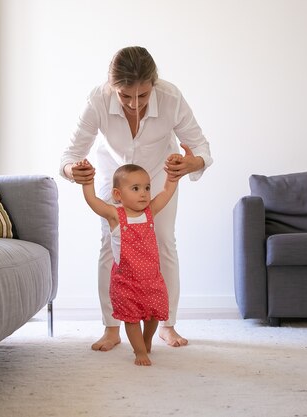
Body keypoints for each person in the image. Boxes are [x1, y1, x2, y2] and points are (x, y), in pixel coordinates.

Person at [60, 46, 213, 351]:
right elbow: (69, 155)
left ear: (153, 85)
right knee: (110, 245)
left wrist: (191, 163)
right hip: (113, 176)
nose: (134, 104)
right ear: (111, 86)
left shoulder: (171, 98)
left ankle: (167, 325)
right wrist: (74, 171)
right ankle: (111, 327)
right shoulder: (97, 100)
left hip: (157, 176)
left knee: (164, 240)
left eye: (142, 96)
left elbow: (202, 149)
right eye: (125, 96)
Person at [76, 160, 182, 365]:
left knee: (153, 316)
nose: (143, 193)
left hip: (152, 279)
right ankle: (139, 351)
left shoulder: (150, 213)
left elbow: (167, 192)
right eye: (135, 188)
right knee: (131, 319)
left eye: (147, 188)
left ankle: (147, 340)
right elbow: (92, 200)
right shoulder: (116, 216)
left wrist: (173, 176)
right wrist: (87, 182)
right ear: (118, 195)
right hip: (127, 282)